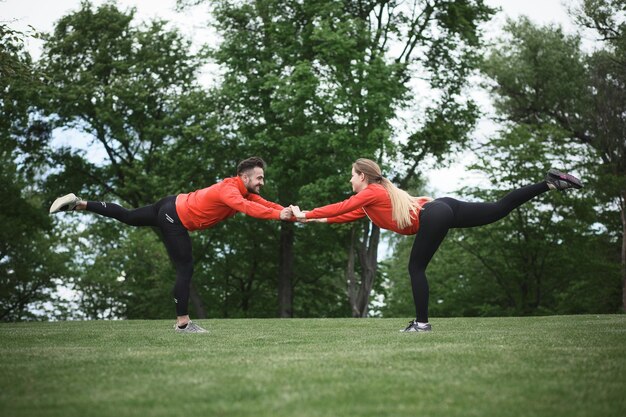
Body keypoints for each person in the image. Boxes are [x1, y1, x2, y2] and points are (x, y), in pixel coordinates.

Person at [290, 158, 582, 333]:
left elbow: (342, 205)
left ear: (362, 176)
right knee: (498, 208)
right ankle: (551, 183)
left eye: (352, 175)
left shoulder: (371, 192)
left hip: (435, 214)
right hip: (443, 207)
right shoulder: (372, 200)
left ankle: (422, 324)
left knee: (416, 267)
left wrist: (306, 212)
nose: (350, 179)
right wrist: (309, 219)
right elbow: (344, 214)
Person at [49, 157, 293, 333]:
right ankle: (183, 323)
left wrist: (290, 212)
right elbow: (249, 208)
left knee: (128, 216)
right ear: (245, 177)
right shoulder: (229, 191)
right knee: (185, 268)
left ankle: (78, 203)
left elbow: (265, 203)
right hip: (174, 218)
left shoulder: (243, 190)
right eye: (259, 178)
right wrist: (279, 215)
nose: (262, 182)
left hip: (171, 203)